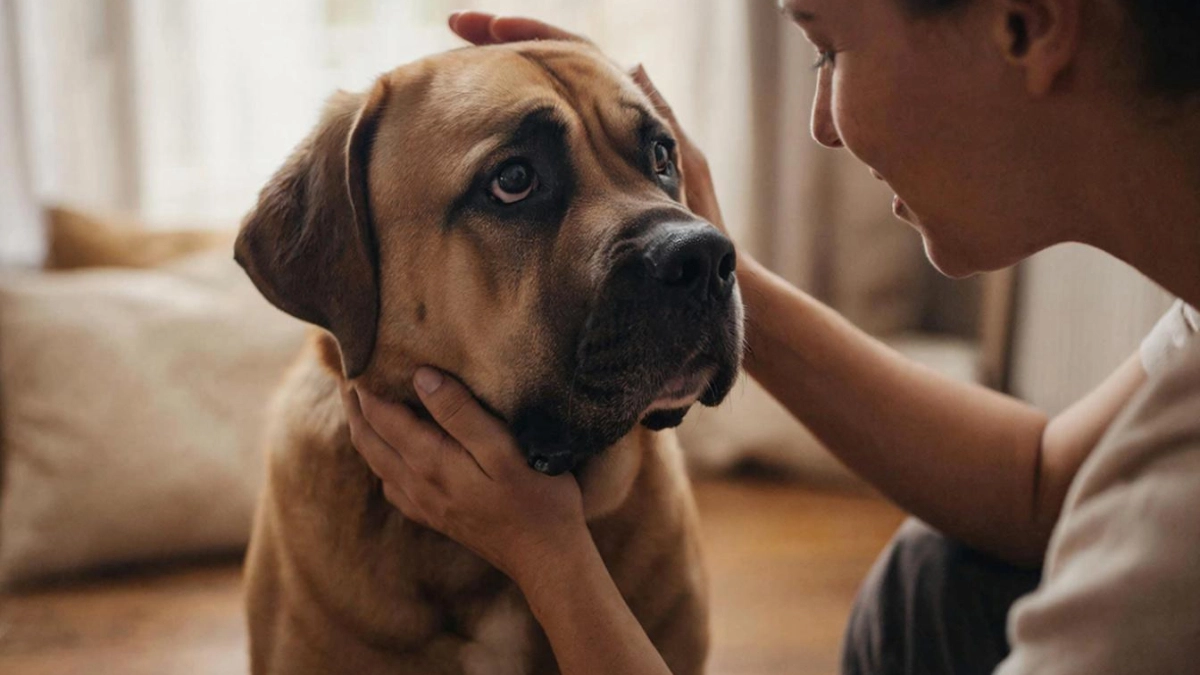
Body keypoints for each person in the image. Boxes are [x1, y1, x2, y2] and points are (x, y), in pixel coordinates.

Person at [339, 3, 1200, 673]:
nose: (821, 121)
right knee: (931, 575)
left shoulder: (1178, 512)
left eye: (829, 50)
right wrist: (700, 266)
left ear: (1027, 24)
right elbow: (1046, 486)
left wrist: (549, 554)